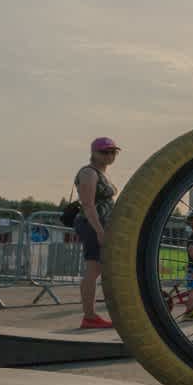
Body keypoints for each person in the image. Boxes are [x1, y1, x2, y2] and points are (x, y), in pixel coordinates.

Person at [73, 136, 120, 330]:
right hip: (92, 224)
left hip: (102, 225)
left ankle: (91, 315)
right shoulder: (89, 173)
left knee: (97, 269)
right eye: (104, 152)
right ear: (93, 153)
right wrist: (99, 231)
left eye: (112, 152)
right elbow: (88, 204)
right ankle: (89, 316)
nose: (109, 155)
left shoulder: (102, 173)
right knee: (93, 269)